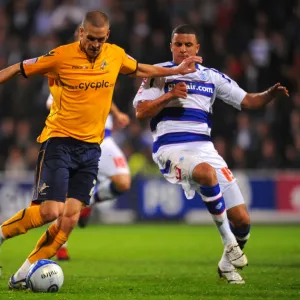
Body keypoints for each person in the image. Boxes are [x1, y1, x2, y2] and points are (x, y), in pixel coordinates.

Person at [0, 12, 202, 290]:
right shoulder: (60, 56)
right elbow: (20, 67)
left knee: (69, 220)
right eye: (90, 38)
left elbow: (143, 69)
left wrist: (176, 71)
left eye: (100, 38)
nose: (95, 44)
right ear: (81, 33)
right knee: (50, 212)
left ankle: (22, 274)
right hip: (59, 142)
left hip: (91, 149)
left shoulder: (115, 55)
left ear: (107, 36)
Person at [133, 24, 289, 284]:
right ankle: (228, 242)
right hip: (171, 147)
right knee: (205, 173)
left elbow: (248, 100)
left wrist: (269, 94)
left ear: (197, 48)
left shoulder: (211, 77)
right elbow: (141, 111)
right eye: (178, 44)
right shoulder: (158, 74)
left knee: (242, 220)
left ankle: (226, 266)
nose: (183, 49)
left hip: (204, 148)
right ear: (171, 46)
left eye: (188, 44)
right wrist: (169, 95)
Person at [46, 93, 132, 260]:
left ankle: (88, 201)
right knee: (66, 195)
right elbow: (50, 103)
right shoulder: (66, 73)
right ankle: (60, 245)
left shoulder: (101, 70)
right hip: (78, 139)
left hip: (104, 138)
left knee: (123, 182)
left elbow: (104, 95)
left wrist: (116, 113)